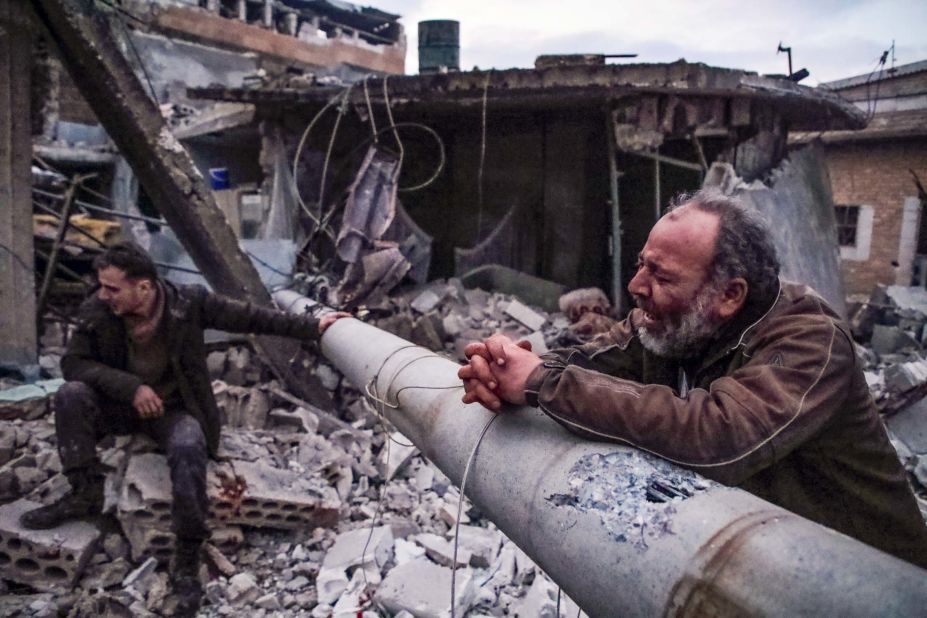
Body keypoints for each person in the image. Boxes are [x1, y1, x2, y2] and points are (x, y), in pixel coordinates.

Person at [458, 190, 927, 569]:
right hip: (773, 562)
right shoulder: (673, 324)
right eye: (641, 263)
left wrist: (541, 383)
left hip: (873, 582)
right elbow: (587, 361)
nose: (636, 286)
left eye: (659, 274)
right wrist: (504, 369)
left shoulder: (810, 340)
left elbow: (718, 435)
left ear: (729, 295)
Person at [20, 242, 349, 615]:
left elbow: (253, 318)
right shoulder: (98, 311)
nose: (103, 294)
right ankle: (84, 492)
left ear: (143, 288)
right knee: (71, 394)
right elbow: (73, 364)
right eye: (102, 286)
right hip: (120, 407)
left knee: (189, 444)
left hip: (174, 409)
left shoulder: (187, 304)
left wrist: (314, 325)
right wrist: (132, 389)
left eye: (113, 288)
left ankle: (187, 557)